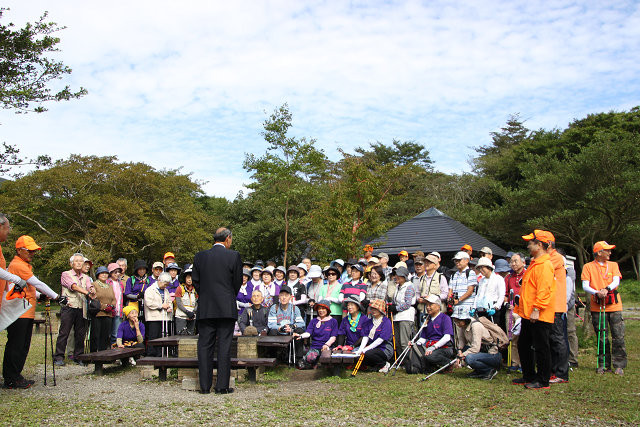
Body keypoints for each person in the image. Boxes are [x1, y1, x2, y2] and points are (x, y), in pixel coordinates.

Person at [3, 235, 59, 389]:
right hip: (18, 312)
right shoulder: (18, 265)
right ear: (20, 250)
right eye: (30, 250)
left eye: (34, 251)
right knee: (16, 345)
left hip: (25, 311)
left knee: (23, 345)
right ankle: (11, 378)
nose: (32, 253)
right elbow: (37, 283)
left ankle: (16, 375)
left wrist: (40, 296)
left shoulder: (24, 265)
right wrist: (57, 296)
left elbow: (29, 288)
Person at [192, 228, 242, 394]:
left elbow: (196, 282)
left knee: (205, 345)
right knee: (224, 346)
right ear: (228, 238)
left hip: (206, 308)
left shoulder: (200, 256)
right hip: (226, 307)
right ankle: (221, 386)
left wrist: (206, 296)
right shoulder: (233, 256)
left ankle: (204, 386)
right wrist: (228, 296)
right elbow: (237, 282)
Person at [512, 230, 556, 389]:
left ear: (540, 245)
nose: (528, 245)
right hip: (528, 313)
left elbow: (544, 289)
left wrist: (537, 309)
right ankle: (529, 375)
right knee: (524, 344)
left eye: (531, 242)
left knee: (541, 347)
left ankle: (543, 380)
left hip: (539, 314)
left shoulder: (544, 265)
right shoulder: (535, 263)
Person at [581, 241, 627, 375]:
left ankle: (619, 364)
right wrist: (597, 292)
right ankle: (603, 364)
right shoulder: (588, 266)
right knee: (602, 336)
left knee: (618, 336)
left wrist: (606, 289)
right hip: (597, 306)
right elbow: (585, 285)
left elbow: (616, 281)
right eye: (607, 250)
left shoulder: (613, 265)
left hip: (614, 306)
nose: (610, 253)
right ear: (599, 252)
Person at [55, 253, 92, 366]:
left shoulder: (85, 277)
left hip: (81, 307)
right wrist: (86, 292)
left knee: (80, 333)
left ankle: (78, 356)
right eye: (76, 261)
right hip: (69, 307)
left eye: (81, 261)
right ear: (71, 263)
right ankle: (59, 356)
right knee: (64, 332)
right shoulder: (66, 274)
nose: (79, 263)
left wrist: (92, 290)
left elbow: (90, 286)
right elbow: (73, 286)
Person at [453, 309, 501, 380]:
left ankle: (488, 370)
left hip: (491, 354)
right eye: (456, 322)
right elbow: (461, 341)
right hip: (480, 353)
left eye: (458, 321)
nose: (457, 324)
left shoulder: (476, 326)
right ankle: (479, 370)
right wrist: (459, 351)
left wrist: (463, 355)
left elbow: (475, 348)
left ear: (465, 319)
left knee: (469, 358)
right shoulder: (462, 326)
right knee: (464, 351)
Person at [412, 295, 454, 374]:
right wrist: (414, 344)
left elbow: (447, 337)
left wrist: (434, 347)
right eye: (427, 305)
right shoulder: (427, 319)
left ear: (438, 306)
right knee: (413, 349)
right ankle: (431, 366)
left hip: (444, 347)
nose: (428, 307)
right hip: (429, 346)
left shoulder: (445, 318)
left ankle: (448, 363)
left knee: (429, 356)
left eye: (430, 305)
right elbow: (423, 338)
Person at [546, 237, 569, 384]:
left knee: (557, 339)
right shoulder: (548, 258)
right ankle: (553, 371)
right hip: (548, 306)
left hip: (556, 306)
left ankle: (561, 373)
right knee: (550, 340)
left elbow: (541, 273)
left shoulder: (556, 258)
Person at [294, 299, 338, 369]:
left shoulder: (333, 321)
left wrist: (326, 345)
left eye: (323, 308)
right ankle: (313, 362)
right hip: (315, 346)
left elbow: (333, 336)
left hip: (327, 347)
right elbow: (308, 333)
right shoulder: (314, 321)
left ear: (327, 310)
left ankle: (319, 363)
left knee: (326, 360)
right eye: (319, 308)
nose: (321, 310)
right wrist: (301, 336)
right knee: (310, 357)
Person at [355, 299, 393, 373]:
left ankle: (383, 364)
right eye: (372, 309)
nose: (373, 311)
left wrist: (366, 349)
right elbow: (365, 336)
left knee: (368, 353)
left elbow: (381, 339)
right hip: (372, 348)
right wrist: (361, 349)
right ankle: (375, 365)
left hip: (384, 348)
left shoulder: (386, 322)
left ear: (381, 310)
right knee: (357, 354)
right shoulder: (369, 322)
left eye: (376, 309)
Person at [388, 266, 415, 358]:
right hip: (397, 317)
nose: (397, 277)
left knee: (404, 342)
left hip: (406, 316)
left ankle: (410, 360)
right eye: (396, 275)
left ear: (405, 277)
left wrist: (396, 308)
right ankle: (402, 361)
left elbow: (407, 303)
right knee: (397, 341)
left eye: (399, 275)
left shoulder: (409, 287)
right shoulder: (398, 287)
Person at [144, 271, 173, 356]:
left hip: (164, 317)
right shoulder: (150, 290)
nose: (166, 286)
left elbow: (169, 301)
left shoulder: (166, 291)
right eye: (165, 284)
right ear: (160, 280)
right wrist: (161, 306)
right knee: (153, 336)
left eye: (167, 284)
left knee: (161, 336)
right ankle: (151, 354)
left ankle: (160, 353)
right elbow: (149, 303)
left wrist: (169, 307)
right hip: (153, 317)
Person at [88, 266, 116, 352]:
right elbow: (94, 298)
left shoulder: (110, 286)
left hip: (108, 314)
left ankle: (103, 354)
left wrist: (111, 306)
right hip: (98, 313)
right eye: (102, 273)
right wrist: (104, 307)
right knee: (95, 335)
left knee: (105, 335)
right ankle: (93, 354)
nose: (104, 275)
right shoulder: (94, 285)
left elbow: (114, 298)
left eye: (106, 273)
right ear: (98, 274)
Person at [450, 251, 477, 333]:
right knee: (458, 329)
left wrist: (459, 300)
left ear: (467, 260)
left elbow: (470, 291)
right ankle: (460, 345)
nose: (457, 262)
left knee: (468, 328)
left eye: (459, 260)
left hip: (467, 306)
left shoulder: (471, 273)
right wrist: (450, 299)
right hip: (456, 307)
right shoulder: (454, 274)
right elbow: (450, 289)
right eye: (456, 261)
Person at [414, 255, 448, 320]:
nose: (426, 264)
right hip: (423, 311)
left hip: (437, 312)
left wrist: (431, 299)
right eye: (425, 262)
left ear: (435, 265)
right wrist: (419, 299)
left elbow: (445, 294)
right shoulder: (421, 278)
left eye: (429, 262)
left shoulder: (440, 277)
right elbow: (418, 292)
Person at [472, 257, 505, 323]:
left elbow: (501, 295)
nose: (481, 270)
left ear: (489, 267)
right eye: (479, 268)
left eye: (482, 267)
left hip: (492, 310)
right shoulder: (481, 280)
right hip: (481, 310)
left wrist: (496, 307)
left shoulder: (498, 278)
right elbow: (478, 295)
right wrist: (474, 307)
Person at [175, 265, 197, 335]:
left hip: (192, 316)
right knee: (181, 336)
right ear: (185, 278)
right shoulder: (180, 288)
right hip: (181, 316)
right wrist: (187, 312)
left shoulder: (195, 289)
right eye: (188, 277)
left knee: (191, 335)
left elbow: (197, 302)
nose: (189, 279)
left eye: (191, 278)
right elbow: (178, 302)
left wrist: (193, 312)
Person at [107, 262, 124, 346]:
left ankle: (115, 351)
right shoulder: (107, 282)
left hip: (118, 311)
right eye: (115, 272)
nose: (117, 274)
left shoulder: (120, 283)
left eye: (118, 272)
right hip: (109, 310)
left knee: (116, 333)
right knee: (107, 332)